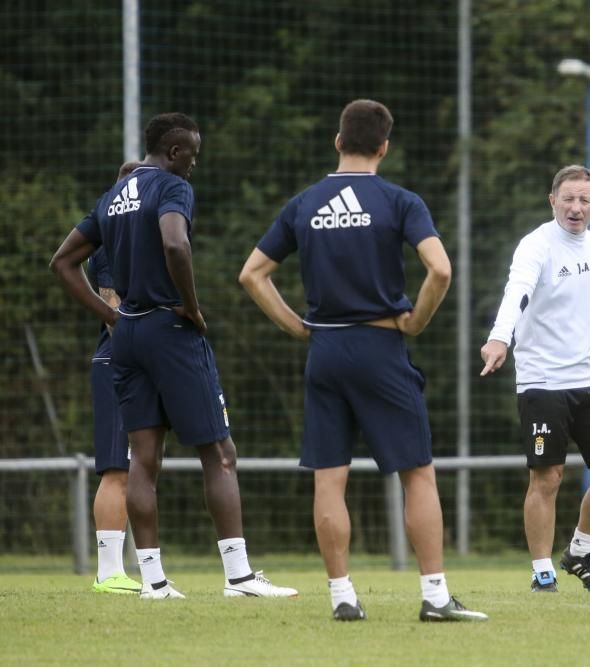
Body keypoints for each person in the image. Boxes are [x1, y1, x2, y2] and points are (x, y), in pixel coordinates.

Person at [239, 99, 487, 622]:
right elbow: (439, 270)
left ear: (337, 141)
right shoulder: (400, 200)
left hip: (325, 352)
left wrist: (297, 326)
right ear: (384, 147)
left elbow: (252, 274)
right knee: (417, 473)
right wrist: (416, 321)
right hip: (380, 350)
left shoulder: (304, 203)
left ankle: (342, 598)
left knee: (329, 478)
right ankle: (436, 598)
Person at [50, 113, 297, 600]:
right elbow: (174, 243)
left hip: (128, 336)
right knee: (219, 454)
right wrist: (191, 305)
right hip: (169, 328)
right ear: (176, 152)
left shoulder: (112, 197)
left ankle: (154, 582)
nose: (194, 167)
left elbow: (62, 262)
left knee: (142, 460)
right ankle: (239, 576)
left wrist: (110, 314)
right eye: (194, 157)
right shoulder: (171, 187)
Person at [480, 165, 590, 594]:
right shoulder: (535, 246)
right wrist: (498, 339)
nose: (576, 208)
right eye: (568, 199)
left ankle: (579, 552)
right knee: (547, 478)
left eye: (585, 200)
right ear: (553, 201)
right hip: (542, 382)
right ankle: (542, 570)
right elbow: (518, 293)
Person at [88, 160, 142, 595]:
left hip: (137, 361)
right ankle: (108, 573)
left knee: (138, 467)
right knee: (116, 469)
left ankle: (143, 569)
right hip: (118, 362)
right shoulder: (112, 236)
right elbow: (113, 305)